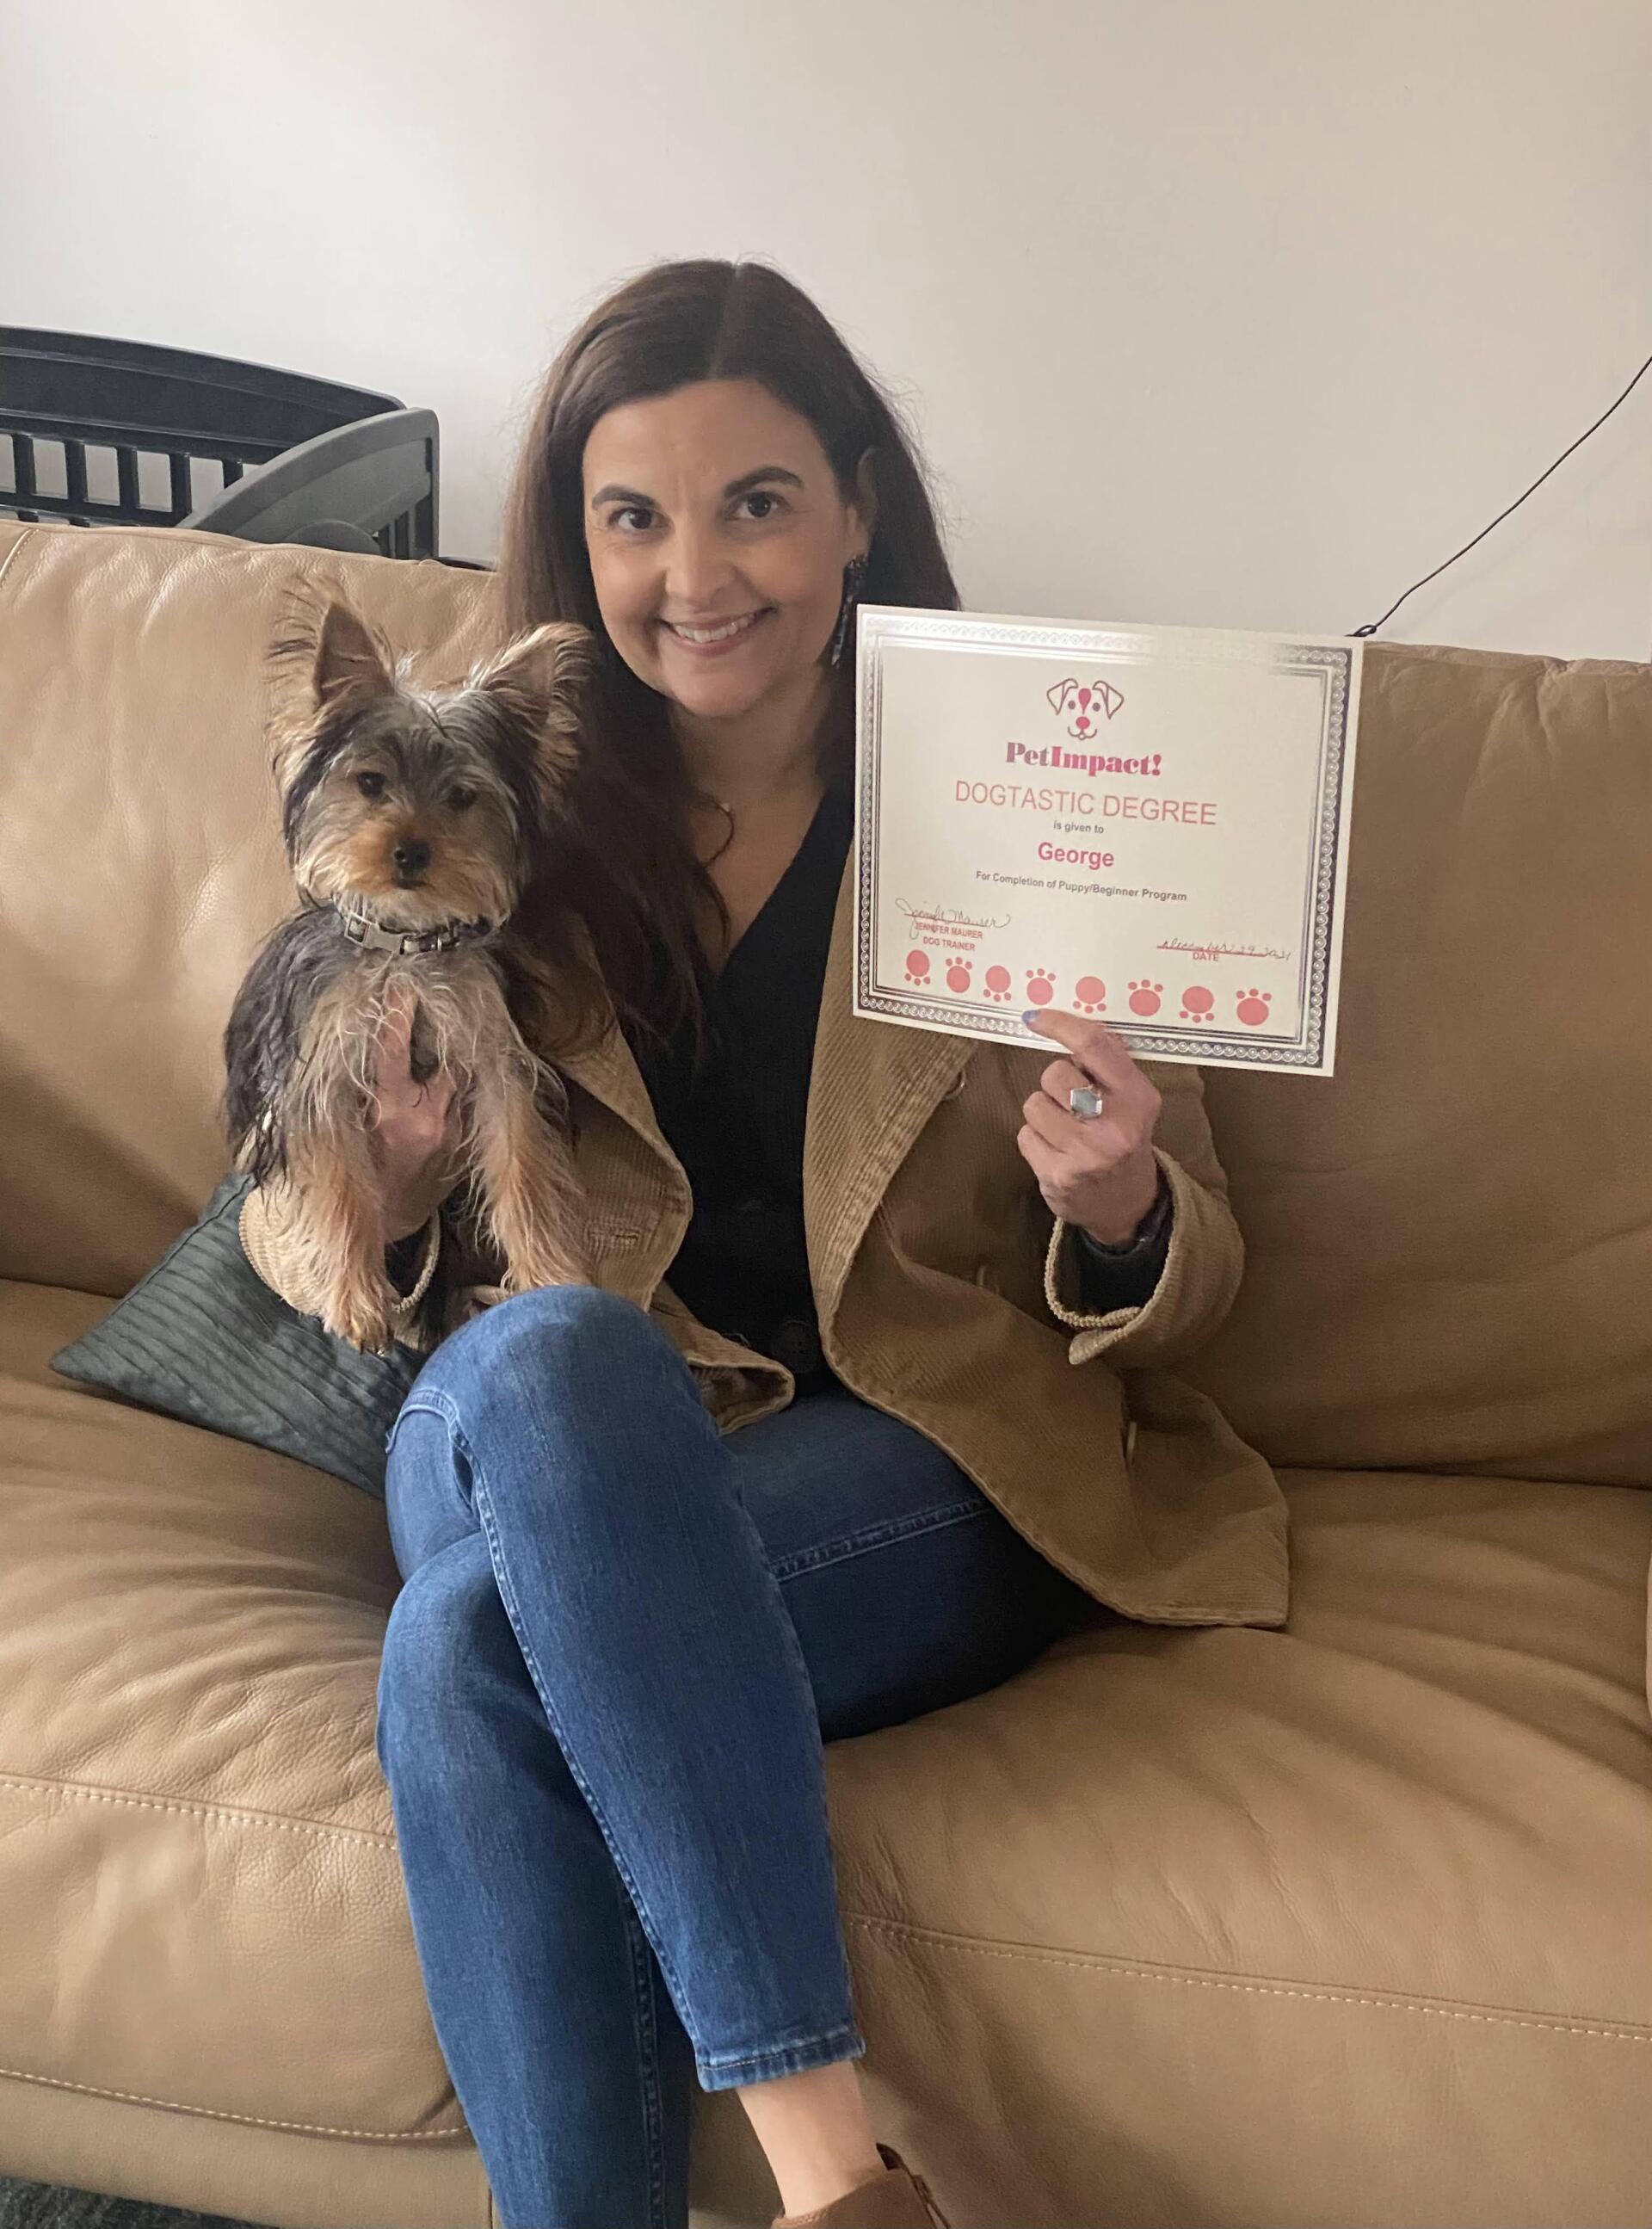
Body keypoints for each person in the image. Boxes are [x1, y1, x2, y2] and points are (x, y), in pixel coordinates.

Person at [238, 257, 1287, 2229]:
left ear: (857, 510)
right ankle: (841, 2180)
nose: (695, 572)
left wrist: (1120, 1205)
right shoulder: (484, 798)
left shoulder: (1037, 802)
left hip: (908, 1448)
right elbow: (290, 1213)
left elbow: (1201, 1265)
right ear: (580, 545)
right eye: (634, 515)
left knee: (468, 1648)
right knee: (564, 1349)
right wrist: (391, 1176)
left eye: (758, 503)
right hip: (529, 1424)